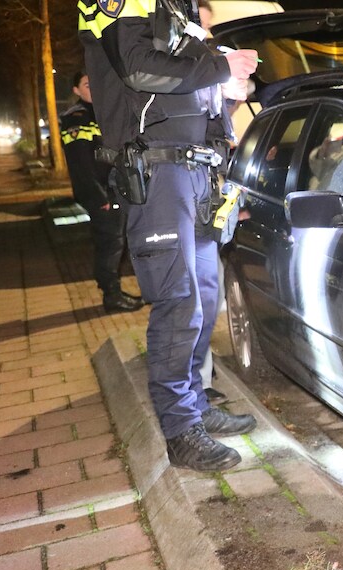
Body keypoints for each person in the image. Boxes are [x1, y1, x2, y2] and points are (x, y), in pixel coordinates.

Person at [79, 0, 260, 471]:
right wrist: (221, 65)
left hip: (197, 172)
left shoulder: (176, 11)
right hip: (159, 173)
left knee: (203, 296)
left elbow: (190, 91)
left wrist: (230, 90)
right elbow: (141, 71)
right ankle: (180, 431)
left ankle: (196, 407)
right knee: (179, 303)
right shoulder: (124, 3)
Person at [60, 73, 144, 314]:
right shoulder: (78, 117)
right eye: (87, 84)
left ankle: (113, 291)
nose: (93, 88)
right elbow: (80, 164)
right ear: (76, 90)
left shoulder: (100, 112)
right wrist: (98, 198)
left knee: (114, 242)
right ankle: (112, 296)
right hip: (101, 193)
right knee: (111, 243)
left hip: (113, 189)